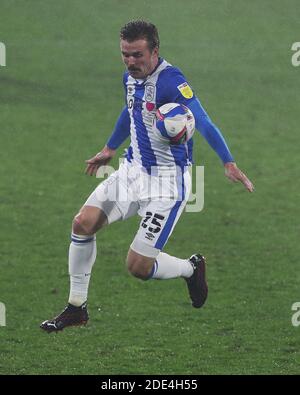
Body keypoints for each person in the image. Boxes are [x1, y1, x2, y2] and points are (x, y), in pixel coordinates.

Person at [40, 20, 254, 332]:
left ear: (155, 51)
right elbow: (131, 110)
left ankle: (190, 268)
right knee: (82, 223)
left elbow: (203, 120)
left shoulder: (172, 80)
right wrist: (109, 148)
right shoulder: (130, 77)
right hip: (132, 171)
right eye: (125, 54)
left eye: (137, 55)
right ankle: (76, 307)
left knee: (138, 267)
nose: (130, 61)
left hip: (167, 185)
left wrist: (228, 161)